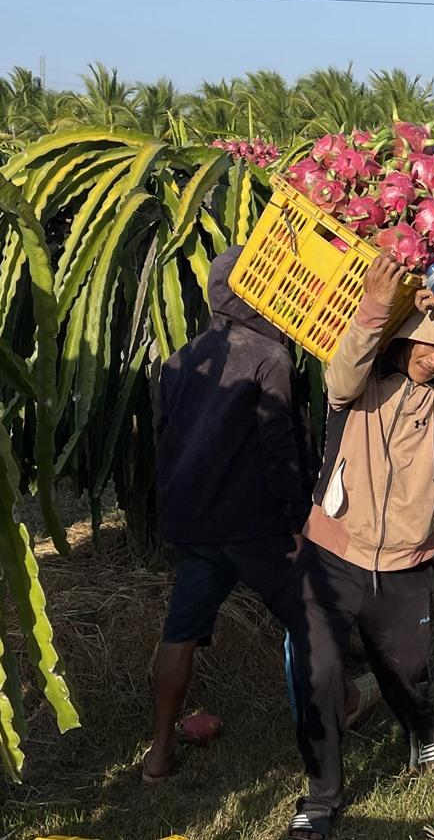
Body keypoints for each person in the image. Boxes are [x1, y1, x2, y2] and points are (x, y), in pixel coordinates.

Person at [283, 251, 434, 840]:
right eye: (427, 347)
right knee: (320, 672)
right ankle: (322, 796)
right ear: (401, 341)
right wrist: (376, 306)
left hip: (406, 564)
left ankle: (422, 728)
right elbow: (339, 374)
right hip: (332, 555)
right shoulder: (356, 392)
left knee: (405, 668)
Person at [142, 245, 314, 783]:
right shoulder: (271, 357)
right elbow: (278, 445)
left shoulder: (180, 357)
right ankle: (344, 706)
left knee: (181, 631)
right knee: (309, 616)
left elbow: (165, 437)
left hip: (195, 524)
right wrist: (300, 516)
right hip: (255, 525)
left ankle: (159, 752)